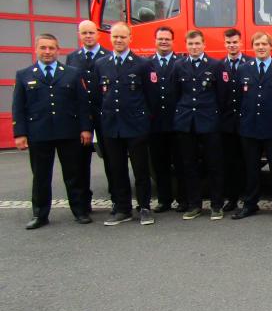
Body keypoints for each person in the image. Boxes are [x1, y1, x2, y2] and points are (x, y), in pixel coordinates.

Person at [13, 33, 93, 229]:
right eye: (43, 48)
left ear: (58, 50)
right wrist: (20, 134)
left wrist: (85, 129)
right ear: (36, 49)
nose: (47, 52)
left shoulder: (72, 73)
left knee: (74, 174)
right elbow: (18, 107)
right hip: (39, 133)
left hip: (68, 132)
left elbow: (82, 104)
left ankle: (80, 211)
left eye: (51, 48)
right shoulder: (24, 75)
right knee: (41, 176)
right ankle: (40, 214)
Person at [94, 22, 154, 226]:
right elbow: (98, 96)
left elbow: (150, 97)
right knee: (117, 169)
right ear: (110, 38)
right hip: (112, 126)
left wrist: (146, 123)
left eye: (122, 37)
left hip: (136, 125)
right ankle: (122, 209)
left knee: (141, 170)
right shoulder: (101, 64)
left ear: (130, 39)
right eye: (115, 37)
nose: (118, 40)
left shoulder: (142, 64)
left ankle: (145, 207)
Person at [232, 32, 272, 220]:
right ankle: (250, 204)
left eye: (264, 44)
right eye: (257, 44)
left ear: (271, 46)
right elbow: (238, 100)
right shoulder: (243, 69)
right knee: (251, 169)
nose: (260, 47)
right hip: (250, 127)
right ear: (252, 47)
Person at [173, 30, 229, 221]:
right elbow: (175, 93)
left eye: (197, 43)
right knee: (189, 165)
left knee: (214, 165)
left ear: (204, 45)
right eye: (190, 44)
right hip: (186, 122)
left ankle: (216, 205)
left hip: (209, 122)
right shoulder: (179, 65)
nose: (194, 47)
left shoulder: (216, 65)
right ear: (186, 45)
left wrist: (213, 114)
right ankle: (194, 204)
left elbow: (223, 95)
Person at [65, 20, 111, 214]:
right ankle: (83, 204)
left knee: (111, 159)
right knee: (80, 162)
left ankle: (117, 199)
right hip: (82, 116)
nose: (88, 36)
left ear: (98, 34)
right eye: (84, 33)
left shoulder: (108, 56)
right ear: (79, 35)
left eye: (91, 32)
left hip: (105, 114)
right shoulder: (72, 58)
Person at [146, 26, 185, 213]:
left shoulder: (181, 62)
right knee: (159, 164)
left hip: (177, 121)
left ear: (173, 41)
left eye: (167, 39)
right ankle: (164, 200)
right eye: (160, 38)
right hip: (155, 123)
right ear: (155, 40)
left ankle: (182, 199)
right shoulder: (146, 64)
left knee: (181, 162)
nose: (164, 42)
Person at [220, 28, 251, 212]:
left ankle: (248, 197)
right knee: (229, 162)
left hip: (246, 121)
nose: (232, 45)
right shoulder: (219, 66)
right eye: (228, 42)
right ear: (225, 44)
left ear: (240, 43)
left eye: (235, 42)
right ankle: (231, 198)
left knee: (247, 162)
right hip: (227, 122)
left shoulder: (250, 63)